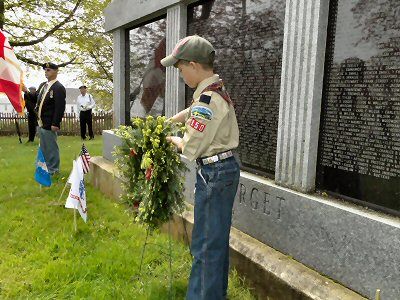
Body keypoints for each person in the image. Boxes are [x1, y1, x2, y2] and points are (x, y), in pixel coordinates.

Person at [161, 35, 240, 300]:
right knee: (215, 242)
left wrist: (169, 138)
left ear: (193, 65)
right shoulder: (212, 90)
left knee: (205, 246)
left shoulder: (208, 100)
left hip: (214, 175)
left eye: (181, 68)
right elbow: (193, 109)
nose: (180, 74)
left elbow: (191, 147)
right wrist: (172, 119)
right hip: (222, 171)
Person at [35, 62, 66, 175]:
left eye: (48, 70)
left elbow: (59, 107)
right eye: (45, 70)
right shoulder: (45, 86)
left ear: (56, 71)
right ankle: (45, 167)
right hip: (41, 122)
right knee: (44, 147)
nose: (46, 72)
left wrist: (55, 123)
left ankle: (53, 170)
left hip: (50, 122)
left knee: (51, 148)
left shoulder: (58, 87)